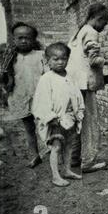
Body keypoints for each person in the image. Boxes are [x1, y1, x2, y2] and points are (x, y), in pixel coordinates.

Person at [32, 42, 84, 187]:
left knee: (68, 146)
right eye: (56, 59)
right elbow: (41, 101)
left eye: (64, 58)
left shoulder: (70, 77)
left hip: (70, 117)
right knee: (56, 147)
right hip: (55, 119)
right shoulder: (46, 79)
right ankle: (56, 175)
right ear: (48, 60)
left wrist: (79, 111)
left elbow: (77, 95)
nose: (60, 62)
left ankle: (67, 170)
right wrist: (51, 118)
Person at [67, 3, 108, 173]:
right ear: (98, 19)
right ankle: (87, 162)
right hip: (84, 83)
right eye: (104, 23)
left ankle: (74, 160)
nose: (104, 27)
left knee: (78, 122)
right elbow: (93, 60)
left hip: (74, 82)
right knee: (89, 123)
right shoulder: (91, 32)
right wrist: (106, 60)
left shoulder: (79, 31)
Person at [1, 22, 48, 168]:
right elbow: (6, 80)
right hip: (21, 97)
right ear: (14, 40)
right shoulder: (10, 59)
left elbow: (48, 74)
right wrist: (2, 76)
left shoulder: (41, 55)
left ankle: (53, 151)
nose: (23, 41)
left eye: (27, 37)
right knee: (29, 128)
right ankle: (35, 155)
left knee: (46, 125)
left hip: (41, 97)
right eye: (19, 38)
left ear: (33, 39)